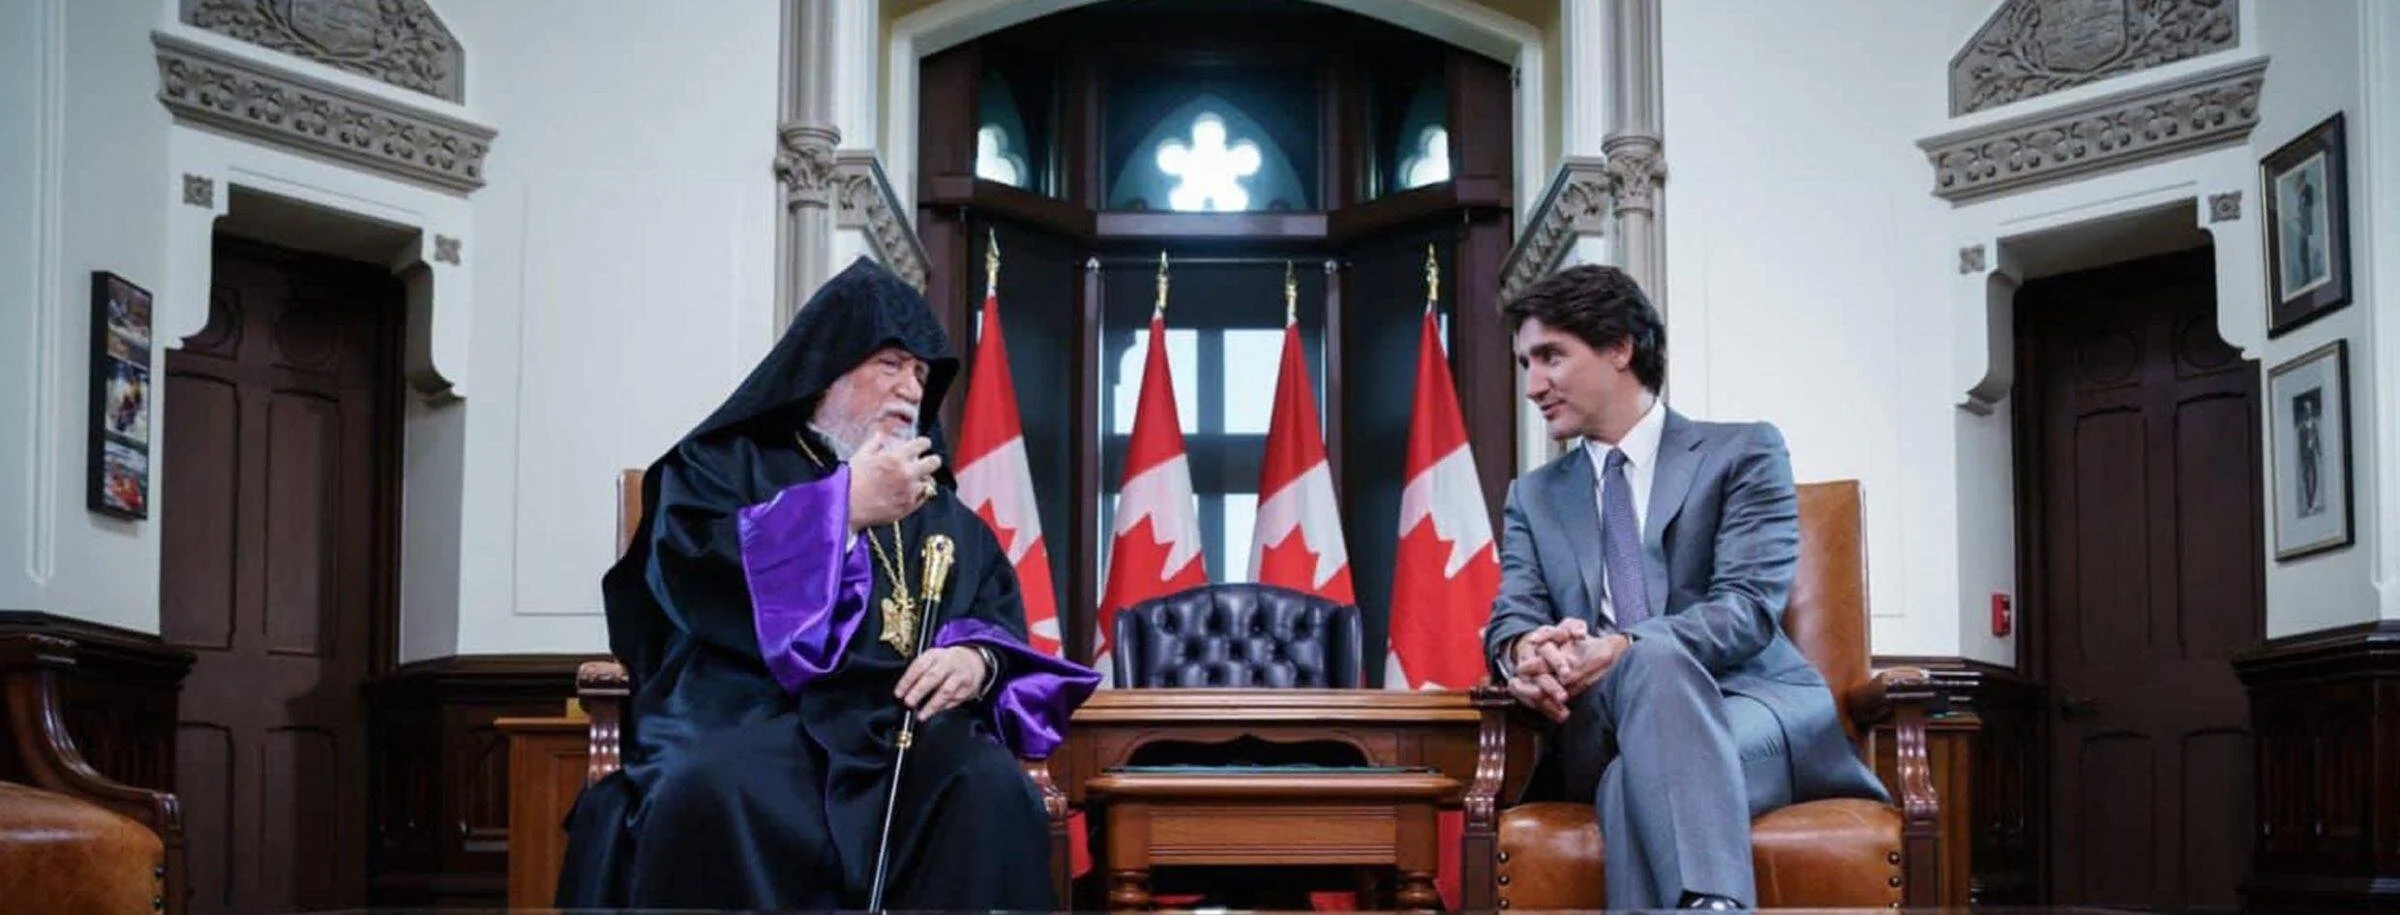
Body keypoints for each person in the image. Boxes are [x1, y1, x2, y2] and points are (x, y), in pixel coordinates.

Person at [554, 257, 1101, 910]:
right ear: (827, 371)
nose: (911, 388)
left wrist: (974, 659)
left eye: (923, 373)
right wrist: (840, 508)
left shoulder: (944, 510)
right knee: (707, 789)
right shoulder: (724, 464)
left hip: (899, 728)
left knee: (990, 789)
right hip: (751, 711)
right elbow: (688, 571)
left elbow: (993, 613)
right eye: (891, 363)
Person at [1484, 265, 1888, 911]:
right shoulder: (1532, 497)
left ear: (1620, 345)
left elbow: (1748, 609)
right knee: (1635, 747)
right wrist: (1524, 654)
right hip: (1601, 727)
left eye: (1550, 356)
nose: (1533, 384)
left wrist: (1622, 647)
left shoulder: (1744, 452)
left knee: (1632, 773)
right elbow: (1511, 618)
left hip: (1750, 708)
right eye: (1525, 362)